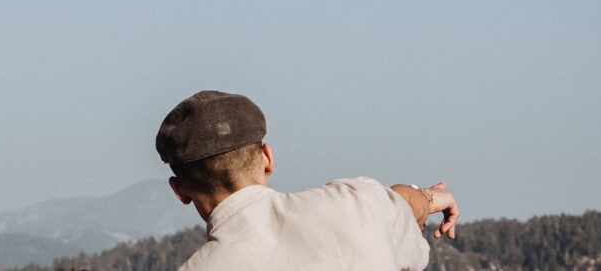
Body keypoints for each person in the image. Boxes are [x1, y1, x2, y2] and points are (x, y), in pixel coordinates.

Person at [156, 90, 459, 271]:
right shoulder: (359, 204)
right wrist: (430, 197)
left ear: (179, 190)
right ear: (267, 157)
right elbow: (407, 204)